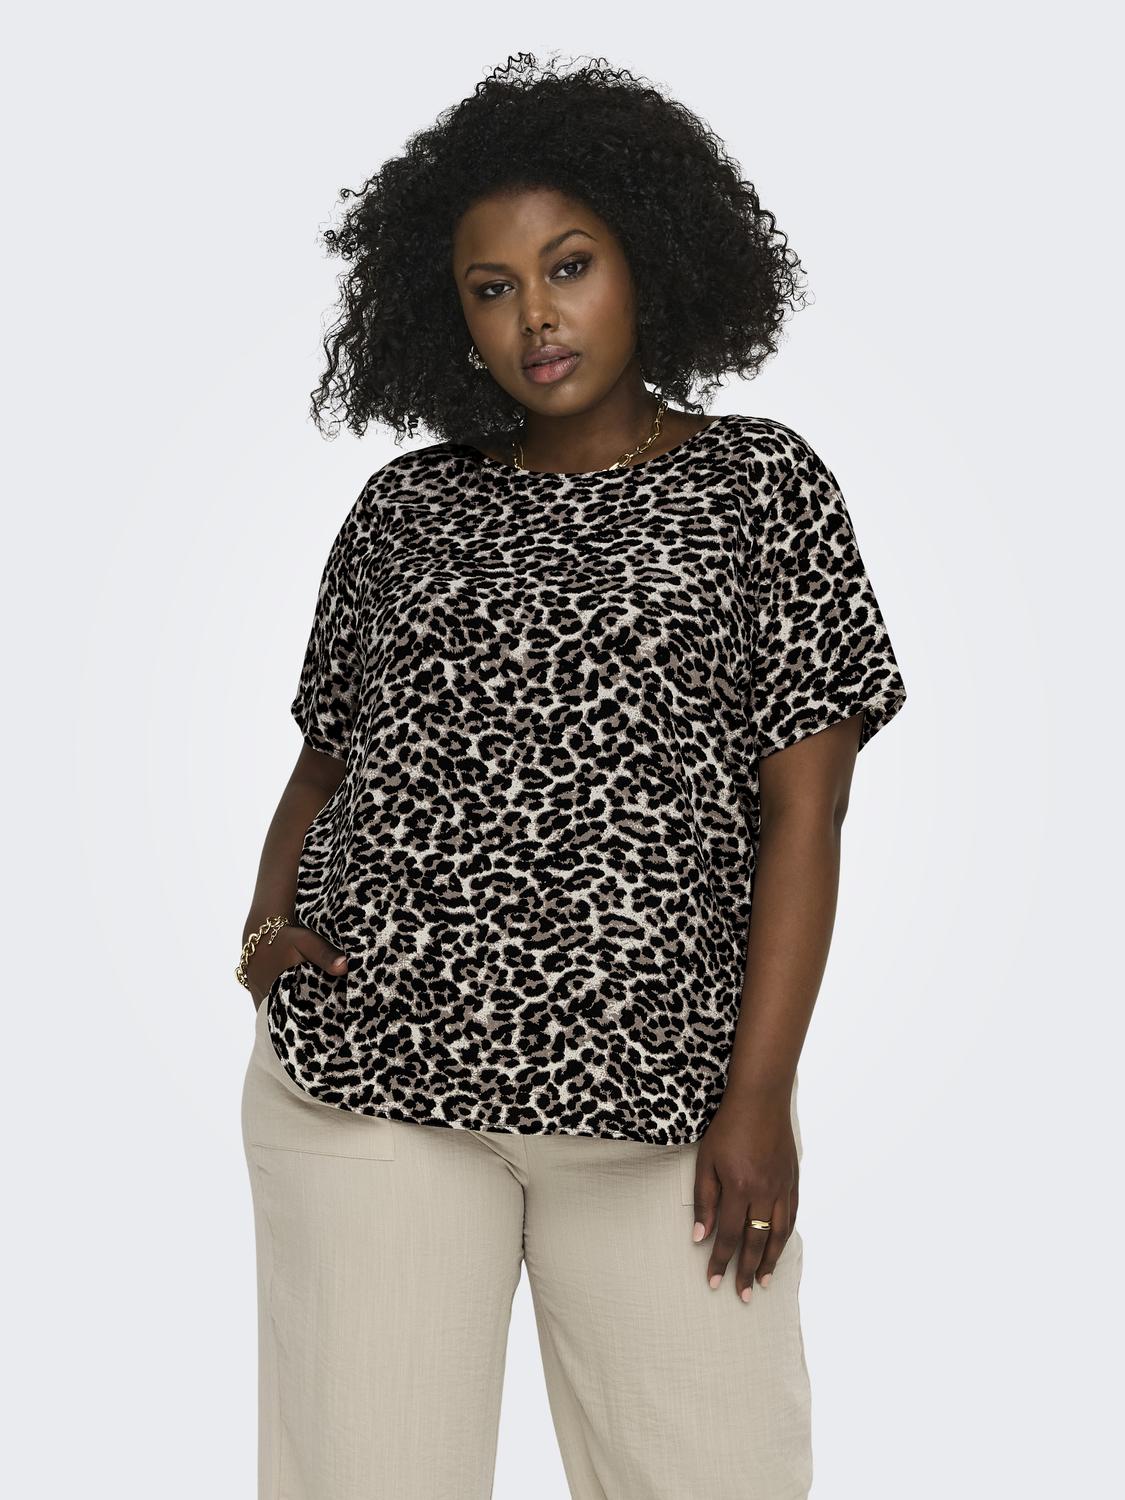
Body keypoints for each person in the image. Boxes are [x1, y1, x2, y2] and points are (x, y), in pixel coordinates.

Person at [236, 52, 908, 1500]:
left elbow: (809, 808)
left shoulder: (761, 487)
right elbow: (322, 763)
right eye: (492, 288)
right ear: (450, 317)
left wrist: (759, 1097)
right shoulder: (407, 507)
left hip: (666, 1102)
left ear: (650, 260)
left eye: (569, 265)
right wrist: (266, 935)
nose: (534, 315)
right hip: (374, 1087)